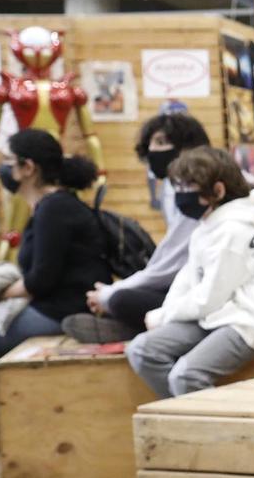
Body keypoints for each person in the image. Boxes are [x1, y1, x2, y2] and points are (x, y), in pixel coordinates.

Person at [0, 130, 110, 464]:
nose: (4, 169)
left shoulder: (54, 209)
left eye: (9, 162)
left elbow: (41, 280)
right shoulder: (50, 206)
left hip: (64, 309)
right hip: (55, 303)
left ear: (29, 168)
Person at [126, 148, 254, 397]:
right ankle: (183, 417)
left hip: (249, 321)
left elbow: (208, 297)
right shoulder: (208, 227)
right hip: (218, 315)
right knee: (141, 350)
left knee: (186, 376)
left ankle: (207, 431)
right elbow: (187, 279)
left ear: (218, 191)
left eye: (187, 189)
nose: (181, 197)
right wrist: (165, 315)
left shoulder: (234, 233)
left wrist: (162, 316)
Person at [64, 111, 211, 344]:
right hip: (190, 282)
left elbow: (170, 265)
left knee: (122, 300)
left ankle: (135, 329)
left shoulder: (194, 191)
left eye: (162, 142)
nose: (153, 151)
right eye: (150, 144)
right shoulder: (171, 189)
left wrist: (111, 293)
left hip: (205, 291)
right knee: (123, 296)